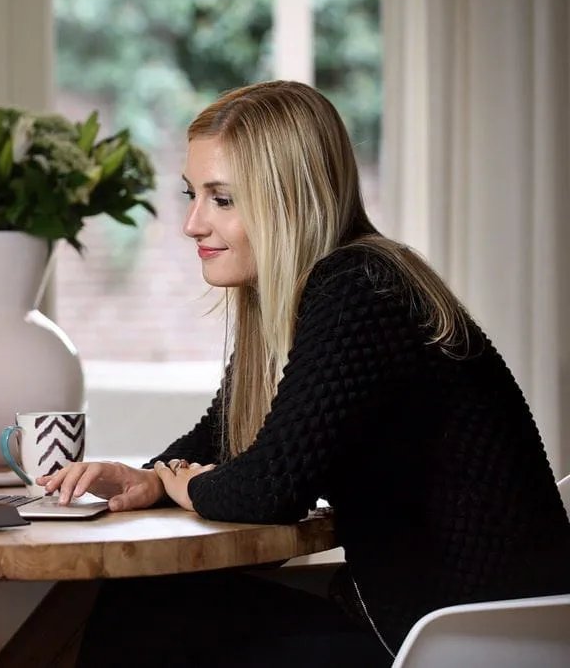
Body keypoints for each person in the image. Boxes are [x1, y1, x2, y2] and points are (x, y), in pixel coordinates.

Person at [43, 80, 570, 666]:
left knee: (144, 613)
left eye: (222, 199)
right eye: (192, 194)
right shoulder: (313, 291)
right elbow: (218, 440)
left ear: (287, 199)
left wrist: (179, 484)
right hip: (421, 617)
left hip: (467, 643)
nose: (192, 223)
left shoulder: (358, 288)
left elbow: (267, 489)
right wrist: (143, 477)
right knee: (153, 602)